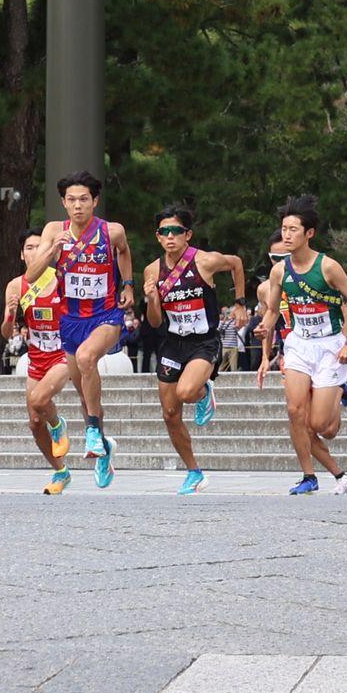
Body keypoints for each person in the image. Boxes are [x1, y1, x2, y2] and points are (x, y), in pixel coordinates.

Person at [21, 171, 134, 488]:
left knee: (87, 359)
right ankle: (104, 453)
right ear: (63, 203)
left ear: (95, 201)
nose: (78, 206)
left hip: (105, 315)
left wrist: (128, 285)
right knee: (84, 393)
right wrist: (51, 249)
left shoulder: (111, 232)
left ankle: (94, 430)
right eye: (71, 200)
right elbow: (31, 274)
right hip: (69, 320)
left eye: (84, 199)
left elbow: (124, 251)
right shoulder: (53, 230)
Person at [258, 197, 347, 495]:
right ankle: (309, 476)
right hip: (298, 346)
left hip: (330, 347)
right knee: (295, 412)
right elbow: (273, 309)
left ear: (309, 233)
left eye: (294, 229)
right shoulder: (279, 271)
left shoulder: (328, 267)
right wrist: (266, 324)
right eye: (283, 229)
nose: (287, 235)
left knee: (321, 425)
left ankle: (342, 388)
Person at [141, 203, 248, 496]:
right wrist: (151, 299)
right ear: (158, 237)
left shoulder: (204, 261)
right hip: (172, 343)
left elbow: (236, 262)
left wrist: (240, 303)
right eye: (165, 232)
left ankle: (205, 392)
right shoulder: (152, 270)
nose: (170, 236)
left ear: (187, 234)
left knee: (186, 393)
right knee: (169, 413)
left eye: (176, 230)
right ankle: (193, 471)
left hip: (204, 341)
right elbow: (154, 321)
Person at [1, 230, 75, 494]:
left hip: (63, 354)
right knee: (34, 421)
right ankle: (60, 471)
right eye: (29, 248)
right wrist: (10, 315)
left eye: (38, 246)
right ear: (22, 255)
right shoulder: (16, 285)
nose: (34, 252)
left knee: (40, 400)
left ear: (50, 252)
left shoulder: (61, 278)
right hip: (36, 357)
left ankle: (58, 424)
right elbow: (6, 334)